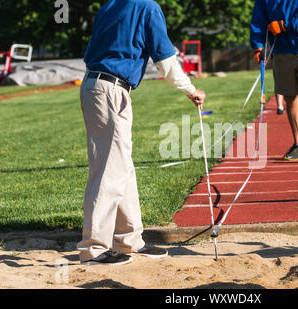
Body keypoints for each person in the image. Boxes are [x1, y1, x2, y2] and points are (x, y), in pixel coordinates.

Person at [78, 0, 205, 266]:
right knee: (109, 169)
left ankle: (129, 241)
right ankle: (93, 248)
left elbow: (92, 51)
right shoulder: (148, 7)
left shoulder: (110, 5)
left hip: (100, 85)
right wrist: (191, 90)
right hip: (110, 88)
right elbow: (165, 61)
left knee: (121, 166)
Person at [251, 0, 298, 161]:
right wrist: (258, 47)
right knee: (290, 96)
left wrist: (286, 25)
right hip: (280, 50)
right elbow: (259, 21)